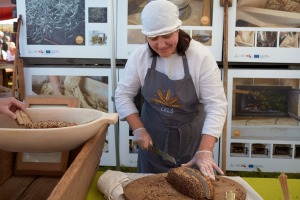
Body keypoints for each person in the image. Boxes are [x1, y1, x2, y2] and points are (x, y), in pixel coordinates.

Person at [115, 0, 227, 180]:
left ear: (177, 30)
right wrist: (138, 130)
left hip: (192, 149)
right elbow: (122, 95)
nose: (160, 45)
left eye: (166, 35)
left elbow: (216, 106)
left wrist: (205, 150)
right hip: (153, 146)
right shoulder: (140, 57)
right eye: (153, 38)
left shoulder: (200, 57)